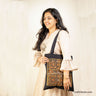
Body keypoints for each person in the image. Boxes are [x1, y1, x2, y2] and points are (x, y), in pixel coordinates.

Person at [33, 8, 78, 96]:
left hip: (56, 73)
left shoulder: (62, 34)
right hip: (43, 74)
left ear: (56, 19)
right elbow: (38, 52)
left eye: (49, 18)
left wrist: (66, 77)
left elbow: (67, 55)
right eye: (44, 18)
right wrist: (39, 58)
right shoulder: (44, 35)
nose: (46, 21)